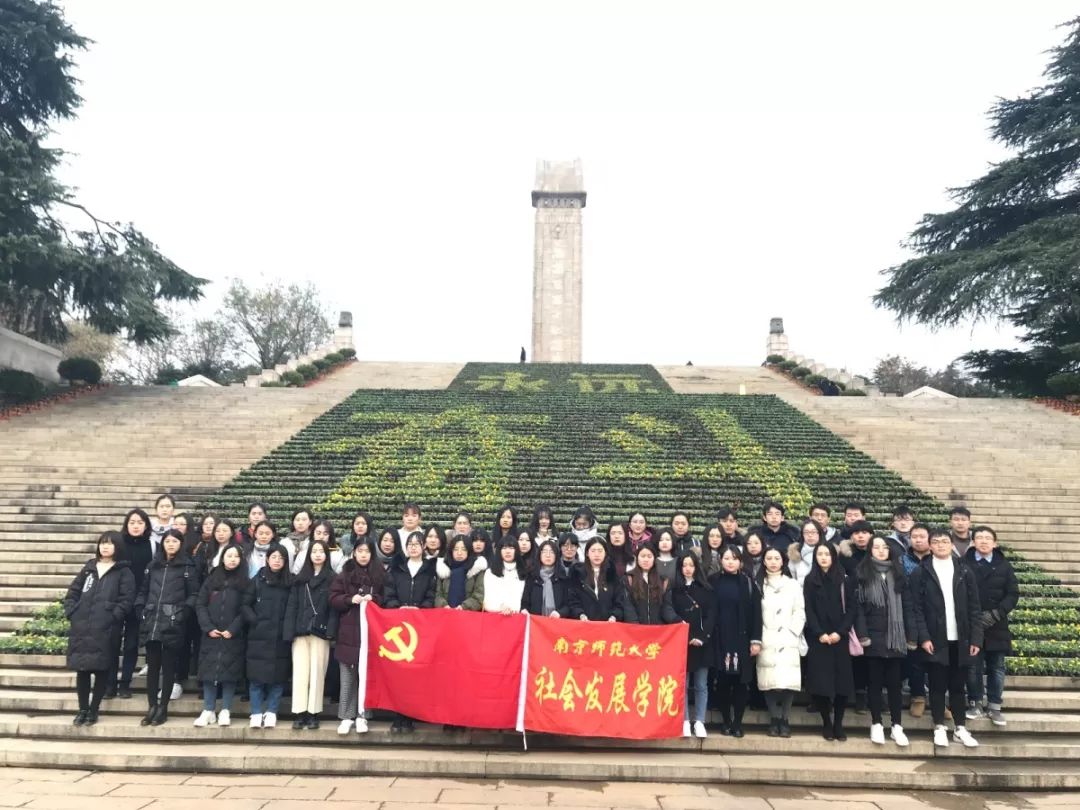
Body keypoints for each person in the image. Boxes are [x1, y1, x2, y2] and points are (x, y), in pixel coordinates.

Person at [908, 528, 983, 749]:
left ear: (952, 545)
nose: (941, 545)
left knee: (958, 687)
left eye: (945, 541)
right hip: (935, 639)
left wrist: (976, 639)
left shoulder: (964, 571)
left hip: (960, 639)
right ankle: (939, 726)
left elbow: (975, 608)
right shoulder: (921, 573)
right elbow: (916, 609)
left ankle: (960, 728)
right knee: (938, 685)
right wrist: (923, 637)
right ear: (929, 546)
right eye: (936, 542)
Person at [64, 531, 135, 726]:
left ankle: (93, 710)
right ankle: (82, 709)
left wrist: (113, 616)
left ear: (117, 547)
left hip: (106, 628)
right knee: (82, 670)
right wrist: (72, 611)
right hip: (82, 627)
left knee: (102, 670)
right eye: (102, 543)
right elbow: (73, 592)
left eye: (110, 544)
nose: (105, 547)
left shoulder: (123, 571)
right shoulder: (88, 568)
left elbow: (126, 600)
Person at [136, 528, 198, 726]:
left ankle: (163, 707)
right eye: (167, 541)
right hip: (152, 619)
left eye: (175, 541)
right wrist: (141, 609)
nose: (171, 544)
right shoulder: (153, 566)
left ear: (181, 544)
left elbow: (193, 594)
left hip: (173, 621)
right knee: (153, 666)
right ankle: (152, 706)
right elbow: (143, 591)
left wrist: (182, 613)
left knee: (169, 666)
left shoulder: (187, 566)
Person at [854, 536, 911, 747]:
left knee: (895, 685)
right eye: (876, 547)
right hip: (873, 637)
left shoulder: (899, 573)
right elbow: (858, 608)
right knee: (875, 683)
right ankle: (876, 723)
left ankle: (897, 725)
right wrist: (863, 634)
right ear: (870, 551)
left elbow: (908, 606)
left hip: (896, 637)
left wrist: (911, 635)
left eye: (884, 547)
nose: (880, 550)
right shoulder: (862, 574)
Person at [963, 526, 1018, 726]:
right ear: (973, 542)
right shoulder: (963, 563)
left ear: (994, 543)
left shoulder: (1004, 565)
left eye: (988, 538)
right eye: (979, 538)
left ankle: (995, 705)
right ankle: (975, 702)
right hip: (972, 624)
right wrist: (975, 617)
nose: (984, 541)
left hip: (997, 625)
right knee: (973, 666)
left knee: (997, 666)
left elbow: (1013, 594)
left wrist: (996, 614)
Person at [382, 531, 436, 733]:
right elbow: (388, 593)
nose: (413, 547)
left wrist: (421, 609)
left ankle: (411, 716)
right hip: (399, 625)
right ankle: (398, 716)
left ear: (424, 547)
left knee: (415, 673)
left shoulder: (430, 570)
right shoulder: (397, 569)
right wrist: (399, 606)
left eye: (417, 543)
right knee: (399, 673)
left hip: (420, 626)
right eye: (410, 544)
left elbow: (432, 595)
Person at [330, 537, 384, 735]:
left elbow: (385, 597)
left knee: (365, 677)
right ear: (354, 552)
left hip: (370, 633)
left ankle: (363, 715)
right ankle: (345, 716)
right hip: (347, 631)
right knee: (347, 678)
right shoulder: (344, 573)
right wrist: (349, 599)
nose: (363, 555)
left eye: (367, 551)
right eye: (360, 551)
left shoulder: (379, 574)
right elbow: (333, 597)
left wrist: (374, 599)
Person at [194, 543, 251, 728]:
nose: (232, 559)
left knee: (229, 674)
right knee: (209, 673)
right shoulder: (212, 579)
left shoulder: (245, 582)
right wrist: (208, 627)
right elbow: (200, 604)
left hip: (232, 635)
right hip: (211, 633)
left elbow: (246, 609)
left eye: (236, 556)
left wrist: (233, 629)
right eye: (229, 555)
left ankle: (226, 709)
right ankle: (208, 709)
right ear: (223, 558)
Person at [707, 545, 761, 737]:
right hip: (719, 639)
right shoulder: (712, 581)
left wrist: (756, 640)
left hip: (741, 639)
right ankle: (726, 721)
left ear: (740, 561)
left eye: (734, 558)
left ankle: (738, 722)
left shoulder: (748, 583)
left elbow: (756, 614)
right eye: (726, 558)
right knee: (722, 682)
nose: (730, 562)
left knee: (740, 683)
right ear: (720, 560)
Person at [803, 542, 855, 741]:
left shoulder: (845, 579)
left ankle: (839, 723)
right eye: (820, 554)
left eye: (827, 554)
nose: (823, 557)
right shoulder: (810, 580)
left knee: (841, 684)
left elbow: (851, 609)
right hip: (819, 639)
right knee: (821, 684)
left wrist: (840, 632)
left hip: (839, 638)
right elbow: (809, 609)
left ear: (834, 556)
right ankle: (826, 722)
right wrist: (819, 633)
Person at [285, 538, 337, 730]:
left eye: (321, 551)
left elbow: (333, 609)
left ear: (326, 555)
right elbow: (292, 606)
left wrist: (331, 631)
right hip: (300, 631)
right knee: (300, 673)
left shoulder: (332, 577)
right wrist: (289, 632)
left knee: (317, 673)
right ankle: (299, 712)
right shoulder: (300, 579)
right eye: (314, 551)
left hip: (321, 632)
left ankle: (314, 712)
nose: (317, 554)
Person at [756, 546, 804, 738]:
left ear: (783, 561)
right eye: (769, 558)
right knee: (769, 680)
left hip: (788, 636)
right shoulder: (759, 584)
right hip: (766, 636)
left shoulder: (792, 585)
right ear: (764, 561)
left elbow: (799, 611)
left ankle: (785, 719)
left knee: (787, 681)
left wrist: (793, 631)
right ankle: (774, 719)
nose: (773, 562)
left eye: (777, 558)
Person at [244, 544, 293, 730]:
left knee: (278, 678)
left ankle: (272, 711)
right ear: (267, 559)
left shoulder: (290, 582)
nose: (277, 560)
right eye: (274, 557)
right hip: (259, 635)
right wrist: (255, 621)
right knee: (256, 678)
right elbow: (245, 605)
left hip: (281, 636)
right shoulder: (258, 580)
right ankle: (256, 712)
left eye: (281, 558)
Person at [669, 550, 714, 739]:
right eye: (684, 565)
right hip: (682, 641)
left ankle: (700, 721)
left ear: (696, 567)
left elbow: (711, 615)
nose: (688, 569)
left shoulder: (706, 589)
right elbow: (670, 612)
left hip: (702, 642)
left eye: (691, 565)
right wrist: (683, 634)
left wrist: (702, 636)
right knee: (683, 684)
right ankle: (685, 720)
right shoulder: (674, 590)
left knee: (701, 684)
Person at [111, 508, 154, 699]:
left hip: (139, 603)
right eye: (132, 522)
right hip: (117, 601)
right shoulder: (117, 544)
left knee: (131, 645)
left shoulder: (153, 545)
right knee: (111, 643)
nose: (136, 526)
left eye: (140, 522)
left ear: (146, 525)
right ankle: (109, 683)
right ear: (126, 525)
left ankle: (125, 683)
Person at [902, 523, 933, 718]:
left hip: (935, 616)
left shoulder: (939, 559)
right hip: (911, 613)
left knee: (937, 661)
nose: (918, 540)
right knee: (915, 660)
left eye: (922, 536)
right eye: (914, 536)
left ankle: (939, 699)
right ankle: (918, 697)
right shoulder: (902, 560)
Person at [568, 538, 633, 622]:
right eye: (593, 551)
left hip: (608, 626)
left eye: (600, 551)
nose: (597, 554)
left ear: (605, 553)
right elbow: (573, 601)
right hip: (583, 625)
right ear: (587, 553)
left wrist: (614, 616)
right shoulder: (577, 574)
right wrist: (580, 614)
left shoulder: (612, 574)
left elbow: (619, 601)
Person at [625, 544, 675, 625]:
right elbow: (628, 607)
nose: (646, 559)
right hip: (635, 630)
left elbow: (666, 607)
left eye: (649, 556)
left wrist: (676, 620)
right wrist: (636, 626)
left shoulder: (663, 581)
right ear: (637, 558)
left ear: (654, 559)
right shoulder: (628, 578)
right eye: (642, 556)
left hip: (657, 631)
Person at [435, 535, 487, 610]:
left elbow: (479, 596)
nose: (459, 553)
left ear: (469, 551)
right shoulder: (443, 568)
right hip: (446, 614)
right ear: (451, 551)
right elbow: (438, 594)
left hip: (468, 615)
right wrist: (443, 605)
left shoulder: (476, 569)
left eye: (463, 549)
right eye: (456, 549)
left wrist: (464, 607)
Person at [522, 539, 569, 617]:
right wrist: (524, 610)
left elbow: (568, 605)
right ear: (539, 555)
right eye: (544, 552)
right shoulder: (532, 576)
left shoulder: (563, 577)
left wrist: (560, 613)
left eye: (551, 552)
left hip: (558, 623)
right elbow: (525, 602)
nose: (548, 555)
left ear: (556, 556)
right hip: (536, 624)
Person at [483, 538, 527, 614]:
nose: (507, 551)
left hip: (517, 618)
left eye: (511, 548)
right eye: (504, 548)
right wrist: (501, 607)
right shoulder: (490, 572)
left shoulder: (522, 572)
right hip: (494, 617)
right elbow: (488, 599)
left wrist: (512, 609)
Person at [788, 519, 825, 586]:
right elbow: (793, 577)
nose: (810, 535)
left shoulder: (828, 553)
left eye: (813, 532)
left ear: (819, 533)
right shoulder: (795, 554)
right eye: (806, 532)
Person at [284, 509, 314, 575]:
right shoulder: (285, 542)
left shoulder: (314, 541)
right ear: (293, 522)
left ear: (310, 522)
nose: (300, 523)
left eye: (304, 520)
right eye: (297, 520)